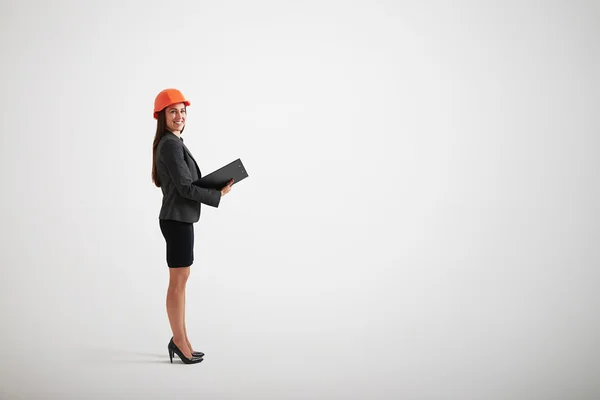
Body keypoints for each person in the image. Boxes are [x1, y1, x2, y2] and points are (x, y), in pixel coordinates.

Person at [151, 88, 233, 364]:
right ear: (162, 116)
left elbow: (184, 183)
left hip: (179, 219)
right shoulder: (170, 144)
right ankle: (179, 341)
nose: (179, 116)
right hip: (176, 220)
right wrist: (216, 194)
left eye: (182, 111)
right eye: (172, 111)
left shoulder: (172, 142)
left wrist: (213, 185)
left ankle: (182, 339)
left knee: (181, 281)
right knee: (177, 284)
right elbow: (185, 187)